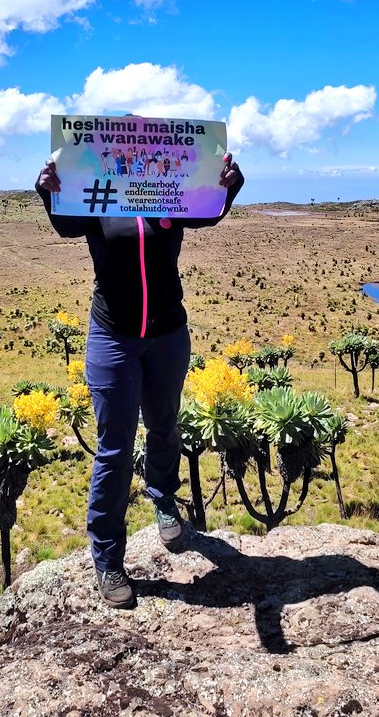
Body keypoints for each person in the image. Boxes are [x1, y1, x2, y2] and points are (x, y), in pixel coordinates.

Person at [35, 153, 244, 608]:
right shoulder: (97, 198)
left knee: (165, 425)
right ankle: (108, 558)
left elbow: (209, 213)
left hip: (168, 333)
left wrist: (230, 184)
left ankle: (164, 499)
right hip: (113, 335)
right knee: (114, 446)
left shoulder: (170, 194)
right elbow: (66, 225)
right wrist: (47, 189)